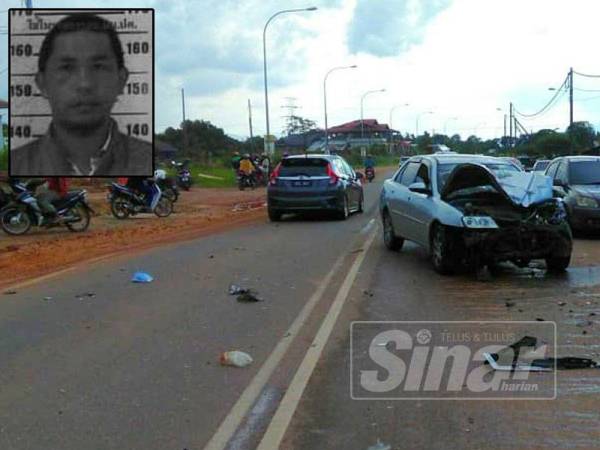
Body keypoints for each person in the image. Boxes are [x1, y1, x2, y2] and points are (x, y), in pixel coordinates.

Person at [10, 13, 152, 176]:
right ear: (42, 83)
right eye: (67, 68)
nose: (85, 84)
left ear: (121, 79)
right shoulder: (17, 165)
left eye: (98, 67)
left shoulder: (147, 162)